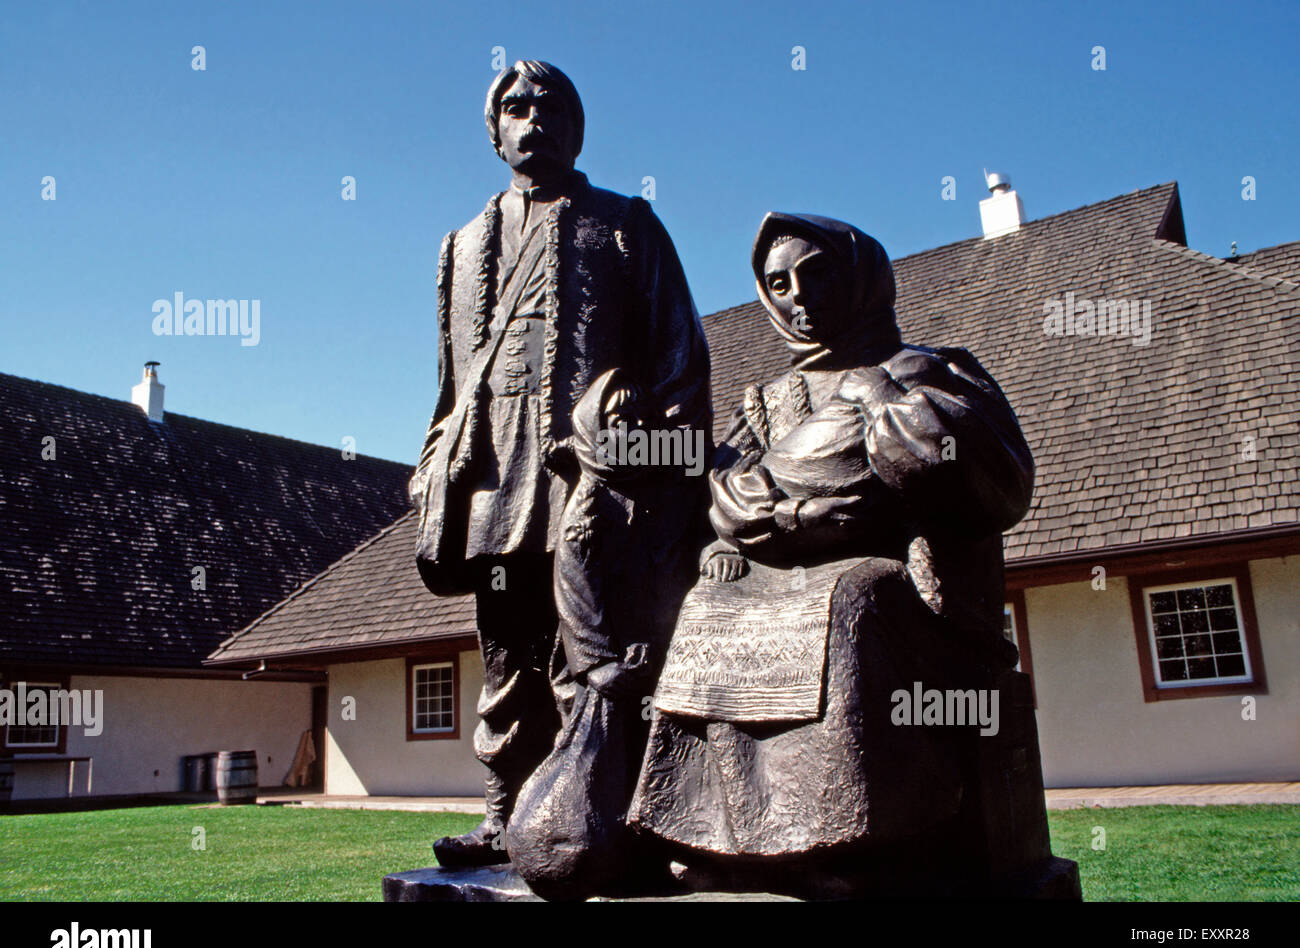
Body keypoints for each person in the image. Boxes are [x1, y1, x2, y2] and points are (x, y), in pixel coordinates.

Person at [628, 213, 1034, 892]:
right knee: (708, 607)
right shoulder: (766, 401)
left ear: (860, 275)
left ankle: (852, 839)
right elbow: (725, 496)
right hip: (775, 573)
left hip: (906, 592)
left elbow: (993, 482)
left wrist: (882, 404)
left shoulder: (929, 368)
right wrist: (791, 519)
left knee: (853, 596)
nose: (798, 293)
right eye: (778, 281)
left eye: (817, 271)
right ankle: (719, 838)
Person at [409, 60, 710, 867]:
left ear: (575, 127)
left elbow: (679, 353)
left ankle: (615, 816)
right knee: (507, 654)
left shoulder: (623, 223)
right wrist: (433, 464)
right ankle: (506, 816)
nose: (531, 118)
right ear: (493, 129)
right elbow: (450, 378)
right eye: (514, 107)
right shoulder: (461, 246)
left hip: (589, 471)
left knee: (594, 651)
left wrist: (658, 462)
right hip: (492, 476)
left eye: (549, 107)